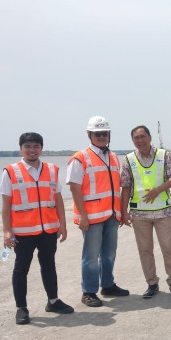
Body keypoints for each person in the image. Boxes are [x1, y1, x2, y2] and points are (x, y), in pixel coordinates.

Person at [0, 132, 74, 325]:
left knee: (49, 265)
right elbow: (6, 204)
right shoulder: (10, 171)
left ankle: (53, 301)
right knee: (21, 269)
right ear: (21, 149)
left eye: (36, 146)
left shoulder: (51, 169)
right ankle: (21, 308)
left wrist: (62, 225)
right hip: (23, 232)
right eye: (27, 146)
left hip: (48, 229)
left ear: (41, 148)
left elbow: (57, 199)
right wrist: (7, 231)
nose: (32, 150)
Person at [67, 115, 129, 307]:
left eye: (105, 133)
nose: (101, 137)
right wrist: (83, 216)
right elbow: (74, 188)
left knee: (109, 253)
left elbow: (117, 187)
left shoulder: (113, 157)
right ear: (89, 135)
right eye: (97, 134)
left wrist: (121, 212)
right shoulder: (79, 158)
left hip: (111, 215)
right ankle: (88, 292)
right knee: (91, 257)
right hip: (91, 217)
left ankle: (108, 285)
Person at [120, 125, 171, 299]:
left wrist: (158, 190)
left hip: (163, 212)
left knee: (168, 247)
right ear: (133, 140)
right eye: (136, 138)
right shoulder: (129, 159)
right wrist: (123, 212)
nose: (140, 140)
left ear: (149, 137)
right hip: (139, 214)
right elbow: (125, 186)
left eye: (143, 136)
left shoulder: (164, 155)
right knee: (145, 250)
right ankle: (152, 283)